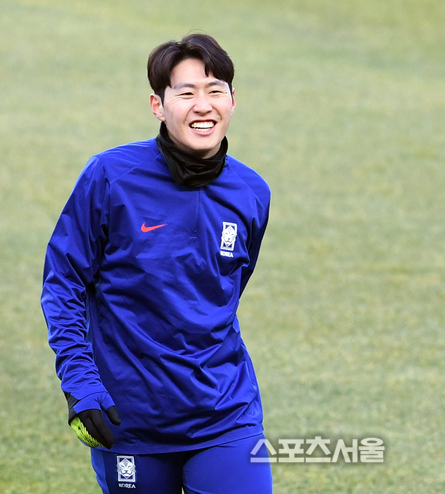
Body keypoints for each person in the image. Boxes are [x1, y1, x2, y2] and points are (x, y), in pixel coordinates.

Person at [41, 33, 273, 494]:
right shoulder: (110, 177)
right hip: (129, 420)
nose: (203, 106)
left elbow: (225, 291)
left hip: (225, 413)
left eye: (215, 91)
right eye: (186, 93)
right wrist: (81, 384)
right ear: (158, 105)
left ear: (233, 100)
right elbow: (63, 283)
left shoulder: (252, 193)